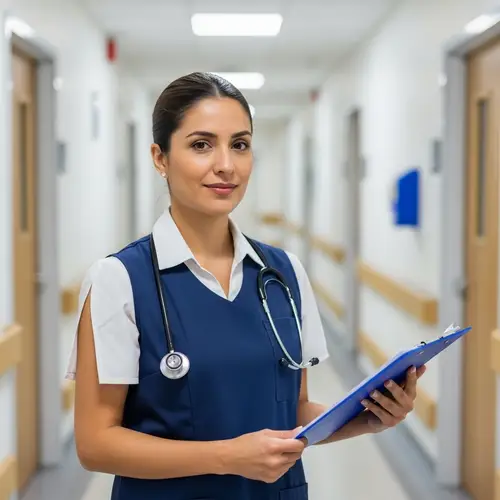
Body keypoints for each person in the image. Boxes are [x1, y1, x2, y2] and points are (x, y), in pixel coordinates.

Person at [67, 72, 426, 500]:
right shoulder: (120, 279)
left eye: (240, 144)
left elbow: (294, 410)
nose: (226, 165)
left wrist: (369, 417)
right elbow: (96, 443)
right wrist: (226, 457)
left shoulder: (284, 273)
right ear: (160, 158)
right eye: (201, 145)